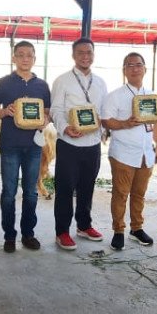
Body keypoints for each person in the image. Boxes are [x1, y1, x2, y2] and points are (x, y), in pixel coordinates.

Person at [0, 41, 51, 253]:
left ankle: (28, 234)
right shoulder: (3, 83)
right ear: (13, 58)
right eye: (21, 55)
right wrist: (4, 112)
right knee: (8, 191)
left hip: (34, 145)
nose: (25, 59)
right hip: (10, 144)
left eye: (29, 55)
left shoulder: (42, 85)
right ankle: (9, 235)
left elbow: (48, 112)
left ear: (34, 59)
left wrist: (45, 120)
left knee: (31, 192)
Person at [50, 38, 108, 250]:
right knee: (64, 189)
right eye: (81, 52)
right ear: (73, 55)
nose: (86, 56)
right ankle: (62, 232)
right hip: (68, 144)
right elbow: (55, 110)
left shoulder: (100, 82)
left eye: (89, 52)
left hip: (92, 144)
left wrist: (101, 132)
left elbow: (103, 112)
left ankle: (84, 225)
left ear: (93, 55)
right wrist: (65, 128)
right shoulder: (62, 80)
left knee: (87, 187)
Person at [100, 52, 157, 250]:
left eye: (138, 64)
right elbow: (106, 120)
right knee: (120, 194)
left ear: (145, 69)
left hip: (146, 153)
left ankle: (136, 228)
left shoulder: (151, 95)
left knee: (139, 194)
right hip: (123, 153)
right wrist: (126, 123)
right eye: (130, 65)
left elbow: (156, 121)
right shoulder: (115, 96)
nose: (135, 68)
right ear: (124, 70)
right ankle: (118, 230)